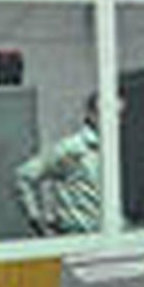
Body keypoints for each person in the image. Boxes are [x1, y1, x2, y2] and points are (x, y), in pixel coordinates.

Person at [15, 93, 102, 236]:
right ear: (92, 115)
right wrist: (36, 220)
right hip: (77, 237)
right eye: (108, 113)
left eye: (119, 115)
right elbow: (24, 175)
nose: (115, 120)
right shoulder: (72, 149)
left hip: (113, 238)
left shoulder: (117, 151)